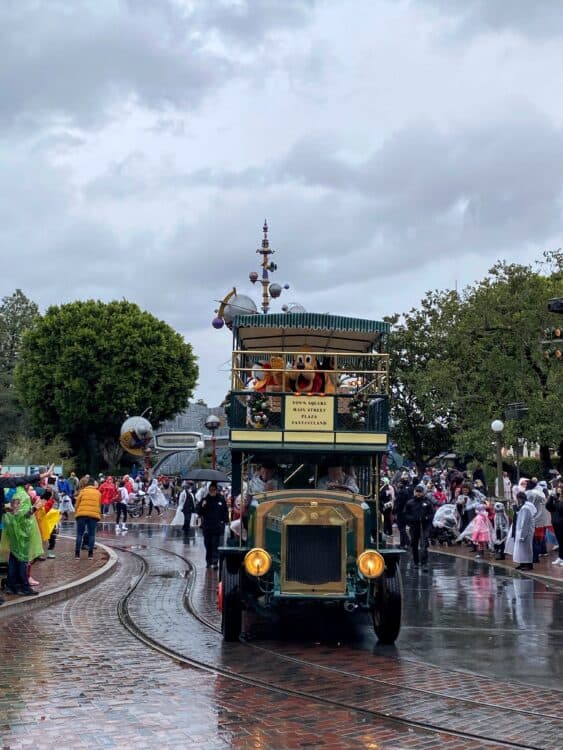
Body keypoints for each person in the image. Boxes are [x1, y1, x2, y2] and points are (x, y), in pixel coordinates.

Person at [2, 487, 43, 596]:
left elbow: (13, 512)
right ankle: (23, 586)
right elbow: (22, 515)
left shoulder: (11, 492)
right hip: (21, 534)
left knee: (14, 559)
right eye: (30, 487)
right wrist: (35, 508)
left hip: (13, 533)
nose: (31, 489)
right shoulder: (22, 495)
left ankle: (11, 586)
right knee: (22, 560)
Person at [196, 482, 229, 569]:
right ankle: (208, 561)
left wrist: (225, 521)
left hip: (217, 526)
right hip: (207, 526)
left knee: (215, 544)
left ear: (216, 490)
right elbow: (199, 511)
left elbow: (225, 511)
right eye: (210, 490)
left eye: (214, 490)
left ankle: (215, 561)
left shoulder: (221, 499)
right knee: (208, 544)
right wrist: (202, 506)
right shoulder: (205, 499)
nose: (212, 492)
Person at [404, 484, 434, 568]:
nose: (418, 494)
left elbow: (431, 513)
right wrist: (412, 519)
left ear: (423, 493)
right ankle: (415, 562)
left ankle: (424, 563)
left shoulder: (427, 502)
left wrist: (427, 518)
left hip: (424, 526)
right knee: (414, 544)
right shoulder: (410, 503)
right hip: (414, 526)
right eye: (417, 492)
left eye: (420, 492)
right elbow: (406, 514)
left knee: (424, 544)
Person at [74, 478, 101, 559]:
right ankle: (90, 554)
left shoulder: (82, 491)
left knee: (79, 534)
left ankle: (77, 554)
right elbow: (99, 504)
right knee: (91, 535)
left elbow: (77, 504)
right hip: (93, 515)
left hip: (82, 515)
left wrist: (77, 513)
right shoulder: (98, 493)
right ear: (93, 484)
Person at [512, 491, 537, 571]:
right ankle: (522, 563)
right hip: (523, 530)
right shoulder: (526, 506)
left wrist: (523, 535)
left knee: (526, 548)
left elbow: (525, 522)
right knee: (522, 548)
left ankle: (528, 564)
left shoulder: (525, 508)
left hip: (525, 531)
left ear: (520, 499)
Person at [546, 482, 563, 566]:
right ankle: (560, 557)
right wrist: (551, 497)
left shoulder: (560, 501)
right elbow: (548, 506)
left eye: (560, 487)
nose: (558, 488)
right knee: (560, 541)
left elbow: (561, 508)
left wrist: (557, 500)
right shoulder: (557, 499)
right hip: (556, 524)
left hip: (561, 523)